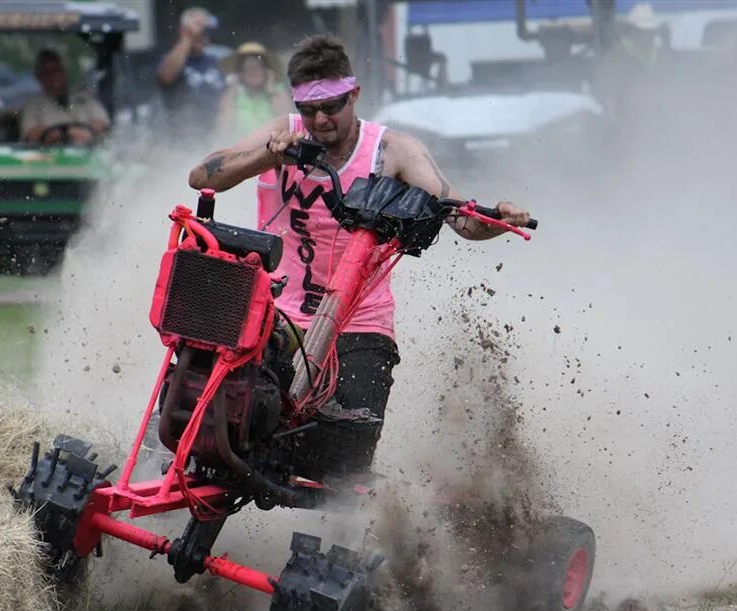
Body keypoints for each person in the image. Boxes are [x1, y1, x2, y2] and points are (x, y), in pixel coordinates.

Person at [187, 35, 530, 470]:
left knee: (343, 459)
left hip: (359, 324)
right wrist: (267, 158)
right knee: (223, 426)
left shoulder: (394, 151)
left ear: (355, 95)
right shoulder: (283, 133)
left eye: (332, 106)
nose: (321, 120)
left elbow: (462, 220)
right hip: (277, 314)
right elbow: (202, 176)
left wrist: (499, 217)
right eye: (310, 110)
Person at [155, 7, 226, 137]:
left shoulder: (217, 61)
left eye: (206, 29)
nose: (203, 32)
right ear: (183, 30)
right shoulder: (171, 59)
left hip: (214, 137)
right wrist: (188, 37)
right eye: (199, 26)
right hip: (181, 139)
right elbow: (166, 76)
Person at [20, 50, 110, 145]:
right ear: (39, 77)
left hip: (89, 151)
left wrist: (87, 131)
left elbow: (102, 123)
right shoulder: (33, 104)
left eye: (56, 70)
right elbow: (31, 134)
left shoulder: (85, 97)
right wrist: (64, 133)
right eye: (47, 72)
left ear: (64, 72)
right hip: (49, 155)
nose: (53, 76)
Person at [214, 42, 290, 143]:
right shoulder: (233, 95)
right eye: (248, 67)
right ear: (240, 73)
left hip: (270, 150)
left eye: (258, 67)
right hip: (240, 149)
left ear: (266, 70)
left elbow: (288, 126)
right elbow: (222, 131)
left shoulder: (277, 92)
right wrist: (232, 89)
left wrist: (271, 90)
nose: (253, 71)